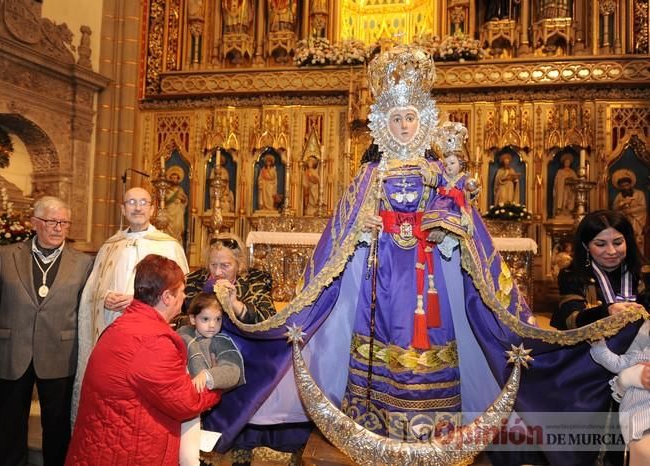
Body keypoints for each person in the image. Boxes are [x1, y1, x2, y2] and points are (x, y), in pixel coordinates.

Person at [201, 44, 646, 466]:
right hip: (382, 274)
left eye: (411, 117)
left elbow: (463, 222)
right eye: (395, 119)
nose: (403, 127)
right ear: (383, 123)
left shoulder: (437, 172)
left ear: (424, 121)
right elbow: (344, 226)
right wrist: (362, 227)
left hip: (429, 275)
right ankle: (373, 418)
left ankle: (432, 423)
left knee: (430, 336)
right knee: (380, 339)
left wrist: (447, 226)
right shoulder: (370, 175)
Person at [66, 254, 221, 465]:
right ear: (167, 297)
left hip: (105, 447)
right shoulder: (153, 341)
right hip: (129, 452)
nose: (184, 298)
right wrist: (219, 380)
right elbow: (185, 402)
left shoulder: (123, 325)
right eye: (182, 292)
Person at [0, 196, 93, 466]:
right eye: (51, 221)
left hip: (60, 352)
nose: (58, 228)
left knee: (57, 429)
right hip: (13, 351)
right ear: (35, 223)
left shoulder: (82, 263)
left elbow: (83, 309)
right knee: (10, 428)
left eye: (64, 222)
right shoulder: (4, 256)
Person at [73, 186, 189, 422]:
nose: (138, 207)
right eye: (132, 202)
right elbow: (90, 291)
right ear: (123, 209)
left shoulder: (168, 246)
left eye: (144, 202)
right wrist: (103, 297)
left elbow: (179, 292)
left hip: (149, 335)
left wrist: (139, 301)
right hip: (111, 329)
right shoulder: (109, 246)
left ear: (153, 208)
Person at [178, 292, 245, 466]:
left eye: (218, 319)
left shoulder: (221, 341)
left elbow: (233, 370)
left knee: (189, 455)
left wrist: (207, 375)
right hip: (175, 398)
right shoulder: (182, 334)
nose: (212, 325)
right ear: (193, 319)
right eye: (205, 319)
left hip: (196, 407)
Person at [552, 210, 648, 330]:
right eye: (600, 245)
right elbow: (571, 321)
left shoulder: (644, 273)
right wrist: (608, 311)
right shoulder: (571, 276)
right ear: (585, 245)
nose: (611, 251)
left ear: (627, 241)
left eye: (618, 243)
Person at [590, 320, 650, 466]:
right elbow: (615, 364)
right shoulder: (641, 356)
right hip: (640, 411)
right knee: (644, 451)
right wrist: (598, 343)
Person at [181, 233, 274, 326]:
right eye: (213, 265)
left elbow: (270, 322)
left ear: (239, 264)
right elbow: (174, 319)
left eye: (225, 265)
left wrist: (236, 305)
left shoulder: (257, 281)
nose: (217, 272)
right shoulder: (192, 281)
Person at [612, 170, 647, 251]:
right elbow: (614, 209)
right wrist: (623, 203)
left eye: (627, 185)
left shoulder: (639, 194)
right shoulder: (619, 196)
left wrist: (629, 211)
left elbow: (643, 208)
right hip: (624, 221)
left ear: (631, 184)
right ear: (620, 187)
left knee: (637, 240)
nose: (625, 187)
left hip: (637, 221)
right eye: (623, 186)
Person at [164, 165, 188, 242]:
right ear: (170, 179)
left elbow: (185, 200)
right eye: (172, 178)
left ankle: (176, 240)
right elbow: (165, 200)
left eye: (176, 178)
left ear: (178, 179)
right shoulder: (167, 189)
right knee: (168, 227)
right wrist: (174, 197)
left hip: (178, 211)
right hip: (169, 211)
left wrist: (182, 200)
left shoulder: (180, 189)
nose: (174, 179)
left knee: (178, 226)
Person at [552, 152, 576, 218]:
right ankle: (561, 211)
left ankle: (568, 212)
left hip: (570, 190)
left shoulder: (572, 172)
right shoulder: (560, 171)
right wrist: (563, 179)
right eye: (566, 162)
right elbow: (556, 182)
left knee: (569, 201)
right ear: (564, 163)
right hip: (562, 190)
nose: (567, 163)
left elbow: (576, 181)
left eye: (568, 162)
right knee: (563, 201)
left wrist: (571, 180)